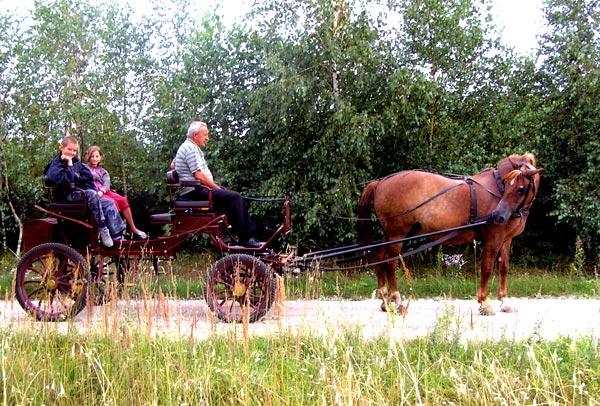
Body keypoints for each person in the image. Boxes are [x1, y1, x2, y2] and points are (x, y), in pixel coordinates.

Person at [173, 121, 261, 248]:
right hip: (195, 191)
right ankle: (245, 238)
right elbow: (199, 175)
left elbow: (173, 165)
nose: (207, 138)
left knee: (231, 198)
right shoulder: (190, 149)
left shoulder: (187, 146)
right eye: (205, 135)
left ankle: (231, 235)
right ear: (195, 135)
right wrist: (215, 187)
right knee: (235, 197)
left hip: (196, 190)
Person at [44, 136, 126, 248]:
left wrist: (90, 188)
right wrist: (69, 164)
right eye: (69, 149)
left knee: (108, 202)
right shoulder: (56, 163)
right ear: (61, 148)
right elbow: (64, 180)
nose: (72, 153)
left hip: (79, 194)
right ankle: (103, 228)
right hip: (64, 197)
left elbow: (87, 178)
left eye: (74, 150)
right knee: (91, 194)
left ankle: (118, 237)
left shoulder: (77, 162)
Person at [84, 145, 148, 240]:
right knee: (112, 203)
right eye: (92, 156)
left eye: (97, 156)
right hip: (93, 192)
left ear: (100, 157)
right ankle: (114, 232)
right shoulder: (84, 168)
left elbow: (107, 184)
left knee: (122, 200)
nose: (94, 159)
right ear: (88, 157)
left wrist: (102, 191)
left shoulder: (103, 171)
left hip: (103, 191)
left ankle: (133, 228)